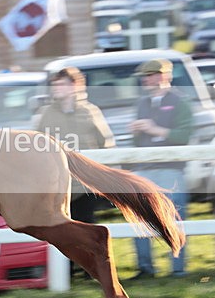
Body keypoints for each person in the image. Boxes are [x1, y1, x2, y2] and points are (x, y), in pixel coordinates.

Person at [128, 58, 192, 279]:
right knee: (140, 218)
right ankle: (145, 269)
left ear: (164, 76)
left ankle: (178, 269)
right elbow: (137, 142)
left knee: (175, 218)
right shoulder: (142, 104)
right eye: (145, 76)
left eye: (150, 75)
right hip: (144, 168)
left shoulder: (180, 102)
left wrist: (155, 129)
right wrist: (137, 132)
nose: (146, 80)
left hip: (171, 169)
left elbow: (184, 136)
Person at [36, 66, 115, 224]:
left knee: (86, 226)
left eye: (61, 84)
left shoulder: (90, 111)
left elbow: (106, 144)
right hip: (58, 186)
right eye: (54, 85)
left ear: (74, 86)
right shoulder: (47, 114)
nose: (56, 89)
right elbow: (37, 146)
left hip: (85, 185)